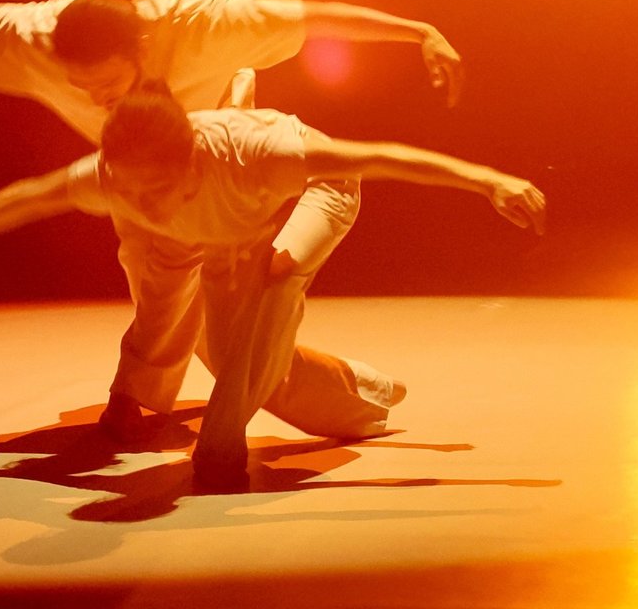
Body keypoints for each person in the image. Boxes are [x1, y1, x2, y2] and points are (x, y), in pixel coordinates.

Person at [0, 0, 465, 285]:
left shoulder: (204, 24)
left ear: (144, 50)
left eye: (106, 84)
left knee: (226, 255)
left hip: (213, 134)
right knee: (153, 258)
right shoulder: (37, 33)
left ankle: (238, 102)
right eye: (81, 88)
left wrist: (419, 34)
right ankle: (147, 384)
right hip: (142, 160)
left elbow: (317, 13)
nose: (95, 98)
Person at [95, 82, 545, 490]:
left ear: (185, 162)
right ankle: (361, 390)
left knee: (272, 288)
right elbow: (44, 194)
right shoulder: (127, 169)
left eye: (150, 191)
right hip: (247, 210)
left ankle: (219, 450)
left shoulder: (264, 151)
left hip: (325, 191)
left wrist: (490, 181)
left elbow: (379, 158)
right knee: (229, 350)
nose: (140, 204)